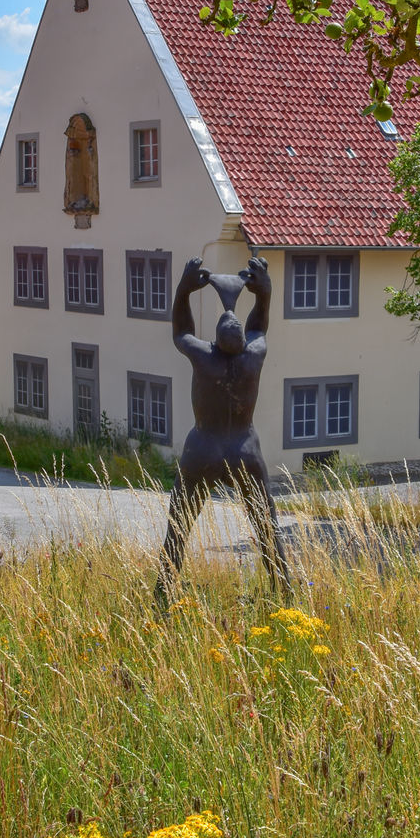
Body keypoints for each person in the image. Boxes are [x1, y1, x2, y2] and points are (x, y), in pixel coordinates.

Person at [156, 255, 291, 603]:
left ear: (216, 341)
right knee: (267, 527)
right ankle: (284, 593)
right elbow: (259, 327)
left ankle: (163, 595)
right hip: (244, 449)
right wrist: (264, 293)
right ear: (242, 340)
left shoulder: (204, 355)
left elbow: (181, 332)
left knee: (178, 529)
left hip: (203, 448)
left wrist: (184, 290)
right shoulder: (254, 355)